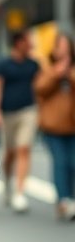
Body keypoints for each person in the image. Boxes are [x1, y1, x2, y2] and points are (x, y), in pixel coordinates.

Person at [0, 30, 39, 213]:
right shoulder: (3, 65)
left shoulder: (34, 65)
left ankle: (19, 193)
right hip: (7, 114)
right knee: (10, 153)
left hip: (28, 111)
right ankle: (8, 184)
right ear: (19, 43)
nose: (31, 44)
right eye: (28, 41)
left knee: (23, 149)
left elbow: (41, 85)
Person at [34, 32, 75, 221]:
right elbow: (39, 88)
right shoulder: (48, 68)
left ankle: (72, 199)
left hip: (72, 126)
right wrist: (56, 73)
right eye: (61, 47)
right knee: (61, 163)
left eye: (67, 47)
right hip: (53, 127)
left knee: (73, 164)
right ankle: (63, 201)